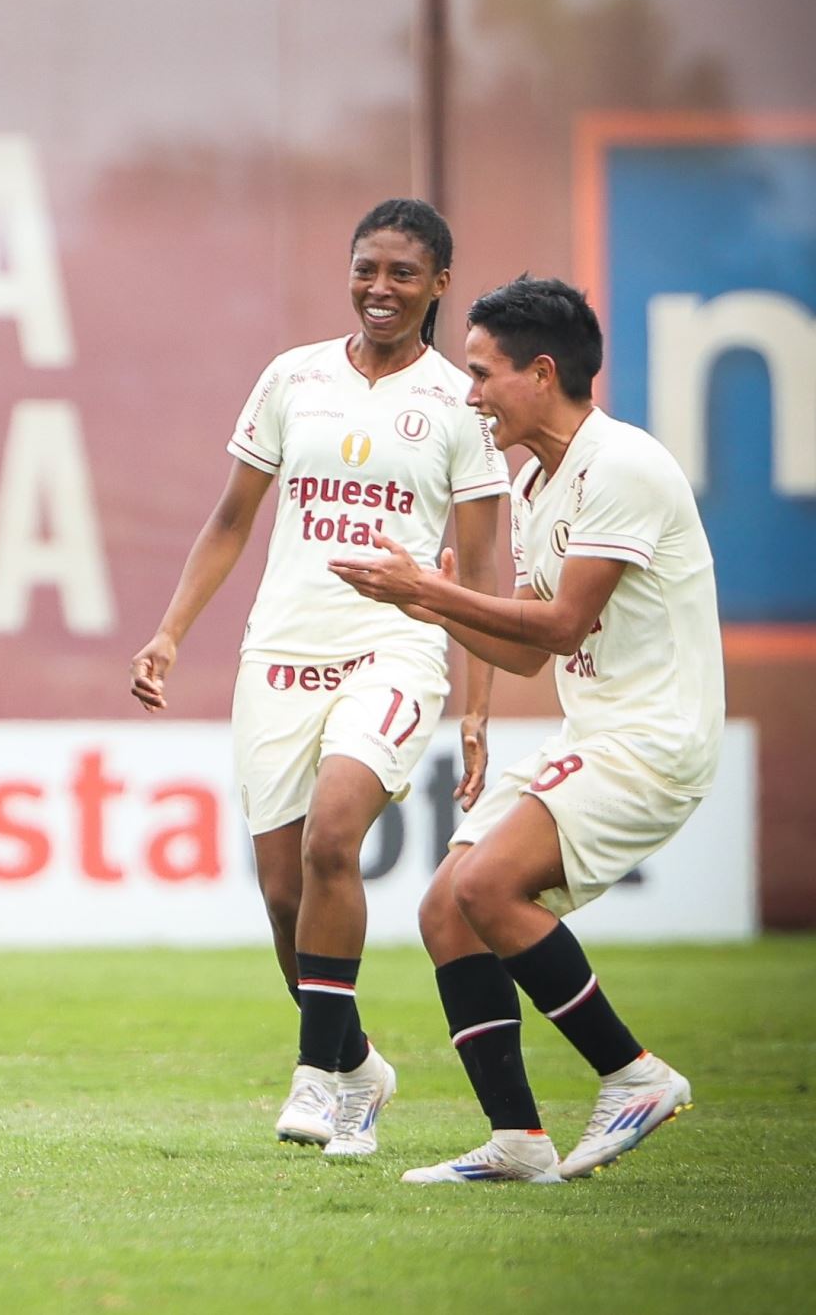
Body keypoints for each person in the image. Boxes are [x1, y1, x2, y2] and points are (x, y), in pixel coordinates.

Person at [129, 198, 508, 1157]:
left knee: (334, 839)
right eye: (366, 269)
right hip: (280, 652)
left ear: (440, 285)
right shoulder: (292, 378)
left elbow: (482, 568)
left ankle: (310, 1078)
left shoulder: (462, 404)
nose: (381, 289)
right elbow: (230, 521)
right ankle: (359, 1069)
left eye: (403, 274)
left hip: (397, 647)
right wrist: (171, 634)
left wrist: (477, 707)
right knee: (283, 894)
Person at [331, 276, 718, 1184]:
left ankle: (632, 1074)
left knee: (495, 887)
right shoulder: (540, 479)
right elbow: (524, 656)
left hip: (652, 737)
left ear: (541, 374)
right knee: (446, 908)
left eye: (482, 374)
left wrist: (429, 590)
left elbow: (562, 627)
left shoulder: (622, 465)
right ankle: (518, 1139)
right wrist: (427, 603)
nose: (469, 396)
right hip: (600, 727)